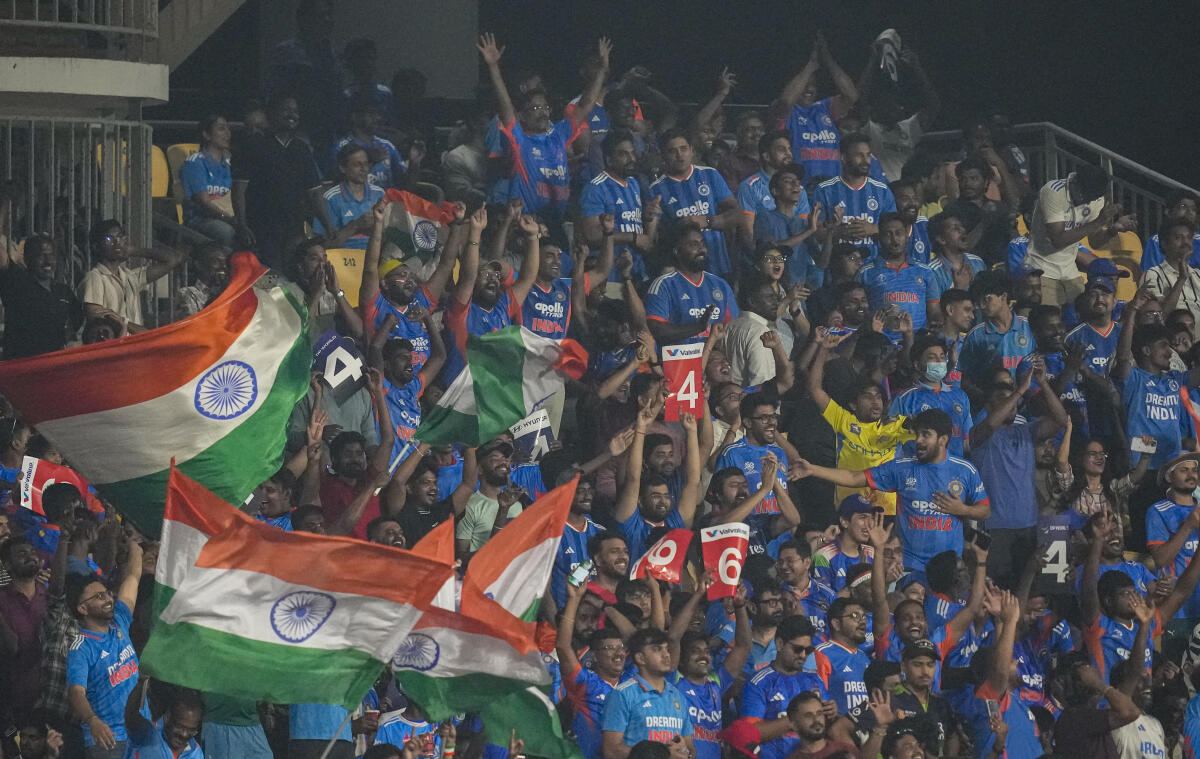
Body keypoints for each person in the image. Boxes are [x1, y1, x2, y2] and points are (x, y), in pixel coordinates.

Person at [796, 409, 988, 570]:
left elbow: (985, 511)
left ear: (943, 439)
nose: (918, 440)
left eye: (926, 435)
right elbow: (854, 477)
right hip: (908, 565)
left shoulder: (965, 470)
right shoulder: (901, 467)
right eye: (917, 434)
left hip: (949, 565)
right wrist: (813, 469)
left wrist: (964, 510)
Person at [478, 33, 609, 227]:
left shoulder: (558, 135)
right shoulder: (519, 140)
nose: (542, 113)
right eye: (535, 108)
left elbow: (586, 104)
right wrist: (493, 67)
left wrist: (601, 70)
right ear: (521, 115)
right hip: (525, 224)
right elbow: (505, 106)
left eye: (545, 108)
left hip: (555, 224)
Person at [968, 360, 1068, 586]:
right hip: (996, 528)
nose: (1012, 404)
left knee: (1035, 590)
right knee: (1000, 590)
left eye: (1014, 400)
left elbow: (1060, 420)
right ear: (988, 405)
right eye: (1003, 400)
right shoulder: (980, 435)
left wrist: (1042, 383)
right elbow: (990, 424)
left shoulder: (1026, 431)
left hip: (1031, 526)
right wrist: (1020, 390)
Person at [65, 536, 143, 758]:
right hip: (108, 740)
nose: (108, 598)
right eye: (99, 597)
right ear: (82, 608)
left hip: (140, 732)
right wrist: (92, 721)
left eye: (107, 593)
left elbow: (133, 578)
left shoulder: (120, 620)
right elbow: (75, 692)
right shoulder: (81, 648)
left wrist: (134, 547)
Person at [233, 94, 323, 267]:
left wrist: (328, 224)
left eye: (295, 111)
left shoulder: (301, 148)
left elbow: (314, 191)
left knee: (293, 272)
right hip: (263, 226)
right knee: (271, 276)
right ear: (271, 114)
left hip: (295, 225)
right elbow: (239, 190)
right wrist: (242, 224)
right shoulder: (252, 146)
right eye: (286, 110)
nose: (292, 115)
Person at [1026, 165, 1135, 306]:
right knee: (1050, 318)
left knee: (1084, 314)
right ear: (1075, 183)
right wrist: (1098, 222)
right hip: (1041, 268)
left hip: (1069, 271)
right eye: (1087, 196)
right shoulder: (1053, 192)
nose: (1089, 202)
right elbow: (1057, 240)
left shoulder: (1096, 199)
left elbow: (1095, 241)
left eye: (1094, 197)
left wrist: (1113, 230)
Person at [667, 581, 750, 759]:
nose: (703, 656)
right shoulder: (673, 681)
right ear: (680, 659)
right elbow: (673, 638)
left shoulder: (716, 682)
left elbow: (743, 647)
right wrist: (698, 594)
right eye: (695, 652)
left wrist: (740, 606)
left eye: (706, 651)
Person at [649, 129, 740, 278]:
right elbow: (655, 239)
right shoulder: (655, 189)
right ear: (663, 156)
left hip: (719, 264)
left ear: (692, 150)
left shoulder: (710, 175)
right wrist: (679, 227)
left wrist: (707, 221)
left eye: (683, 149)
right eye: (672, 151)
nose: (679, 156)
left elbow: (737, 213)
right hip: (682, 270)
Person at [613, 408, 700, 560]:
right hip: (639, 584)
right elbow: (633, 479)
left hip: (671, 584)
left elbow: (693, 481)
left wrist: (691, 431)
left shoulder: (675, 524)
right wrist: (640, 430)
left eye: (666, 496)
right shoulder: (631, 526)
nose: (663, 501)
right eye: (655, 496)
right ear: (640, 501)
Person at [773, 31, 860, 180]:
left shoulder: (825, 108)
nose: (809, 89)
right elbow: (786, 101)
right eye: (804, 85)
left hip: (833, 191)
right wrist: (810, 66)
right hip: (801, 193)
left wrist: (827, 59)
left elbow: (852, 95)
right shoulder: (787, 111)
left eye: (813, 84)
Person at [740, 615, 830, 759]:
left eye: (808, 650)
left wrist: (833, 714)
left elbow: (825, 727)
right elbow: (749, 734)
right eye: (797, 649)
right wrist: (796, 720)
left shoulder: (815, 680)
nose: (803, 655)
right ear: (780, 644)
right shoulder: (758, 683)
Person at [601, 628, 695, 759]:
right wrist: (664, 756)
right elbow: (611, 750)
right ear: (641, 658)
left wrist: (686, 753)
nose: (666, 654)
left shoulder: (677, 695)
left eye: (667, 649)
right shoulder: (622, 695)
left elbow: (690, 747)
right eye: (657, 649)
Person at [580, 130, 659, 283]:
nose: (631, 159)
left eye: (632, 153)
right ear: (609, 160)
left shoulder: (634, 184)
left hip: (635, 271)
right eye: (624, 154)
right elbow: (592, 235)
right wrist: (633, 238)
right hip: (609, 276)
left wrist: (647, 217)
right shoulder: (596, 188)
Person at [79, 220, 184, 333]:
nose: (117, 242)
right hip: (113, 347)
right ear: (96, 247)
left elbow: (173, 259)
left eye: (120, 237)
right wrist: (136, 330)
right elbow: (95, 317)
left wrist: (134, 250)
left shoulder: (129, 276)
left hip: (132, 347)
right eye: (109, 239)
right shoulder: (95, 277)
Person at [644, 224, 739, 347]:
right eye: (694, 245)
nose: (702, 249)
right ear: (677, 251)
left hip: (715, 359)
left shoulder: (720, 285)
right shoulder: (664, 285)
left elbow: (734, 327)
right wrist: (697, 327)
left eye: (702, 243)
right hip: (678, 360)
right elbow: (657, 330)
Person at [811, 133, 897, 262]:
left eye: (868, 155)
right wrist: (838, 231)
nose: (866, 161)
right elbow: (814, 233)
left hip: (874, 269)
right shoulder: (824, 190)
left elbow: (896, 229)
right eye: (859, 155)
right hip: (836, 269)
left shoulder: (882, 191)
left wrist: (872, 229)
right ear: (844, 158)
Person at [0, 232, 84, 358]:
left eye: (51, 255)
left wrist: (73, 341)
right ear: (27, 259)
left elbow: (81, 321)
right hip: (21, 367)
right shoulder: (17, 283)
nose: (47, 261)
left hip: (54, 366)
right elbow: (3, 259)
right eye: (40, 255)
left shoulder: (63, 291)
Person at [890, 333, 974, 457]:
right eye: (932, 358)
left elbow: (966, 441)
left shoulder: (960, 396)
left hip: (952, 471)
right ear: (917, 365)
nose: (940, 362)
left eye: (941, 357)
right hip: (917, 471)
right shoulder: (905, 399)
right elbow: (893, 442)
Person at [857, 211, 939, 334]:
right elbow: (859, 312)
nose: (894, 239)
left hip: (916, 346)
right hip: (880, 345)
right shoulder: (865, 273)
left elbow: (934, 312)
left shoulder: (925, 271)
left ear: (907, 236)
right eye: (888, 234)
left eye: (898, 233)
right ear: (879, 238)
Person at [180, 115, 247, 246]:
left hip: (229, 217)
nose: (227, 133)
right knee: (228, 233)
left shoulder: (230, 163)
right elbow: (204, 202)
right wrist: (229, 219)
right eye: (221, 129)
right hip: (200, 219)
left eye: (228, 129)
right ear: (206, 134)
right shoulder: (195, 162)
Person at [314, 144, 386, 250]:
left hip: (376, 256)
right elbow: (324, 245)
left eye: (366, 164)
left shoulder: (379, 194)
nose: (364, 169)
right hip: (344, 259)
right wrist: (356, 225)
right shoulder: (331, 198)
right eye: (357, 165)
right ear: (343, 168)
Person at [330, 97, 409, 189]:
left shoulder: (387, 146)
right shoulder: (341, 147)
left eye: (378, 114)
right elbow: (338, 185)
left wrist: (415, 163)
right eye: (371, 113)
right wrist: (371, 160)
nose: (377, 118)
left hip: (387, 201)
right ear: (355, 117)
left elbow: (405, 186)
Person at [812, 597, 872, 714]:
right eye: (855, 616)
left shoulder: (865, 658)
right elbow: (817, 700)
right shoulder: (822, 653)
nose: (862, 621)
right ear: (836, 624)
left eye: (864, 616)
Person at [121, 679, 204, 758]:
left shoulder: (196, 753)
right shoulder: (147, 735)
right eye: (179, 727)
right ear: (167, 717)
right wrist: (141, 683)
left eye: (191, 730)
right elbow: (131, 715)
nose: (184, 734)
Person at [812, 496, 879, 591]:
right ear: (844, 522)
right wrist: (859, 576)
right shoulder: (824, 556)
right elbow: (825, 601)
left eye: (872, 518)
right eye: (863, 517)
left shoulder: (873, 553)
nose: (870, 524)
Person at [1144, 217, 1200, 327]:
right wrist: (1182, 278)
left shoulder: (1198, 274)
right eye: (1178, 238)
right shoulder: (1154, 274)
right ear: (1165, 244)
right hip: (1175, 340)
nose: (1186, 242)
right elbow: (1160, 317)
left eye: (1189, 237)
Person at [1141, 190, 1200, 271]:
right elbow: (1149, 278)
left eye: (1193, 209)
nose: (1189, 212)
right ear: (1168, 212)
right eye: (1183, 207)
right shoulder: (1155, 242)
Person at [784, 691, 855, 758]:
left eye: (819, 714)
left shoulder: (846, 752)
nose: (816, 720)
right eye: (808, 715)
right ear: (794, 725)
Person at [175, 242, 230, 320]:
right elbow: (196, 325)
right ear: (199, 265)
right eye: (216, 261)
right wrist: (219, 294)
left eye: (224, 262)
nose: (223, 266)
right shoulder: (187, 293)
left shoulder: (228, 290)